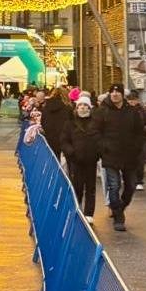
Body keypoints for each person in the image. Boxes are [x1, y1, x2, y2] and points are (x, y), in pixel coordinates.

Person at [93, 83, 146, 231]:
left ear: (123, 94)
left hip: (129, 155)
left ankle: (120, 206)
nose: (115, 94)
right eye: (112, 92)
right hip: (110, 155)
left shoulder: (132, 112)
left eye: (117, 92)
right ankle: (118, 217)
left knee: (131, 185)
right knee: (114, 185)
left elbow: (139, 132)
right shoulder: (102, 111)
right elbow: (95, 131)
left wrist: (136, 148)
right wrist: (103, 147)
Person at [61, 95, 102, 223]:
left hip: (91, 160)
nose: (82, 108)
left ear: (89, 108)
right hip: (76, 160)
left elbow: (101, 139)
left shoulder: (95, 123)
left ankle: (89, 213)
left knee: (90, 187)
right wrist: (70, 152)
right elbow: (64, 140)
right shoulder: (70, 124)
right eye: (80, 105)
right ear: (76, 108)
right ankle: (77, 208)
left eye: (85, 105)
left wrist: (98, 152)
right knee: (77, 186)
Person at [127, 90, 146, 191]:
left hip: (140, 140)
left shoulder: (143, 111)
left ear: (137, 100)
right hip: (126, 140)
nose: (131, 102)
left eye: (133, 100)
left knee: (139, 161)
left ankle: (139, 181)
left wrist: (143, 129)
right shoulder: (123, 111)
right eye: (129, 100)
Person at [41, 86, 72, 162]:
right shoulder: (68, 108)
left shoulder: (46, 107)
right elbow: (71, 123)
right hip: (64, 138)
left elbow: (43, 121)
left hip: (50, 137)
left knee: (53, 160)